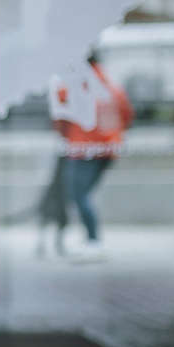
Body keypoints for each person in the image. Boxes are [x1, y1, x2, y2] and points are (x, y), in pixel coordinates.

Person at [48, 51, 133, 262]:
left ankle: (93, 241)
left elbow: (60, 115)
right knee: (84, 195)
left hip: (83, 148)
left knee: (79, 195)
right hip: (108, 148)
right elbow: (127, 114)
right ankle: (91, 240)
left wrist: (66, 135)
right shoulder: (111, 86)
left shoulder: (76, 86)